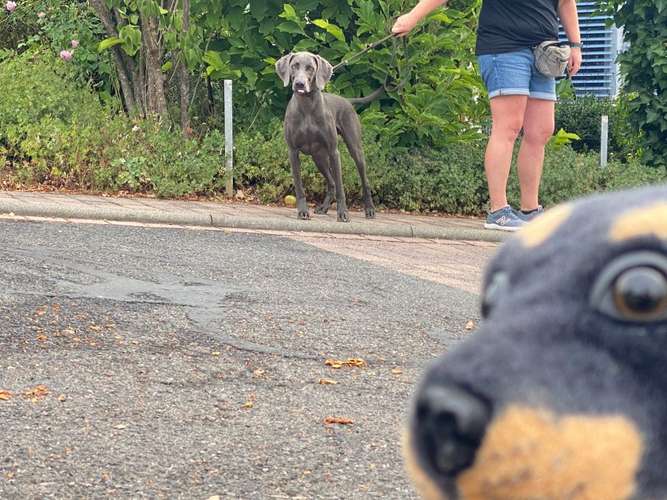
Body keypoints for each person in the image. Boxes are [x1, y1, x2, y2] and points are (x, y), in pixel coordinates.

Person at [393, 0, 582, 231]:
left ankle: (530, 210)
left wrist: (575, 45)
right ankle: (498, 210)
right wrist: (411, 18)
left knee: (541, 130)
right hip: (504, 47)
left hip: (545, 51)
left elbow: (566, 2)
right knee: (509, 126)